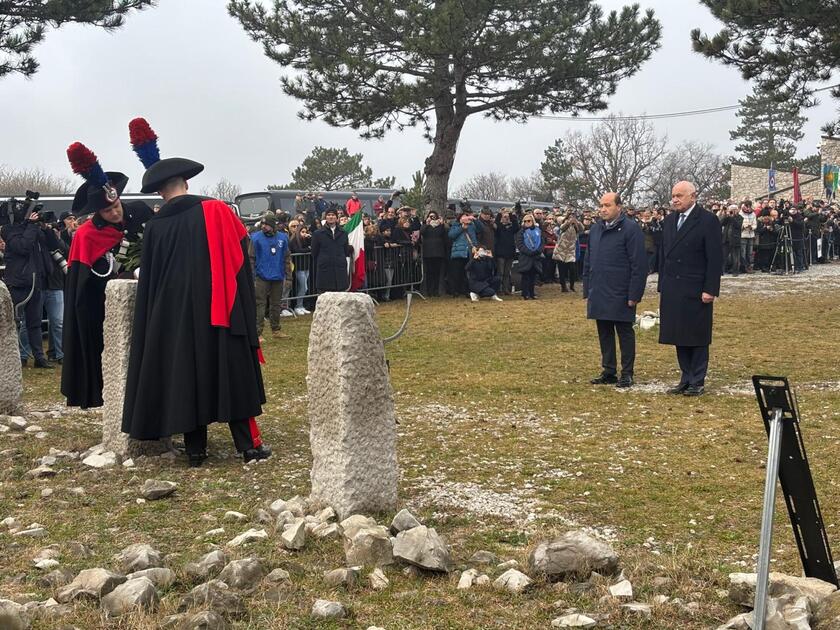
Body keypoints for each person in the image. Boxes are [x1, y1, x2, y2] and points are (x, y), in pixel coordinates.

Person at [121, 117, 271, 466]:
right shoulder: (216, 210)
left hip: (174, 314)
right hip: (219, 307)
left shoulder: (156, 227)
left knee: (187, 372)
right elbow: (239, 257)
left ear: (161, 191)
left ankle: (195, 450)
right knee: (230, 372)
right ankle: (248, 447)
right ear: (186, 182)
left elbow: (153, 280)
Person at [61, 143, 153, 408]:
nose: (116, 213)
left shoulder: (140, 213)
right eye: (108, 211)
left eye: (116, 206)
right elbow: (80, 284)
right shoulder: (87, 235)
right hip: (106, 305)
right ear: (97, 212)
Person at [658, 181, 722, 396]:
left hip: (696, 288)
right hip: (673, 287)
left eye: (680, 195)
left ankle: (697, 379)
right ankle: (685, 377)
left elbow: (714, 258)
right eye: (673, 195)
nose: (675, 199)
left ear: (693, 196)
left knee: (697, 334)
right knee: (678, 334)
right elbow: (663, 256)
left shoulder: (707, 220)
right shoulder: (669, 221)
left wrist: (710, 289)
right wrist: (662, 285)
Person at [582, 193, 647, 388]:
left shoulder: (631, 229)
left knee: (625, 333)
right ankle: (608, 370)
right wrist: (587, 288)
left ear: (619, 206)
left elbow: (639, 264)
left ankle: (627, 373)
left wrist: (635, 294)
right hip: (599, 290)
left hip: (621, 291)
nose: (602, 209)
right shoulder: (595, 229)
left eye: (607, 205)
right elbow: (588, 260)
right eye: (601, 205)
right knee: (604, 332)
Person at [0, 199, 58, 369]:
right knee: (15, 322)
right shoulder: (8, 230)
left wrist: (45, 229)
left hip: (37, 280)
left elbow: (53, 245)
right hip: (19, 282)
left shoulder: (32, 228)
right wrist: (31, 226)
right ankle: (17, 356)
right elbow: (22, 247)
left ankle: (39, 358)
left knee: (35, 322)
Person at [250, 212, 291, 336]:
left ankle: (276, 329)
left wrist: (288, 277)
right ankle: (258, 332)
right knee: (260, 304)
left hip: (278, 276)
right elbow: (251, 258)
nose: (264, 226)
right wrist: (253, 276)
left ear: (273, 225)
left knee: (276, 304)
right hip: (261, 276)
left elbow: (287, 258)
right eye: (262, 223)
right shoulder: (256, 237)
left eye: (266, 224)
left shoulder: (283, 238)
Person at [311, 207, 352, 294]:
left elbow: (345, 250)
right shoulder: (318, 234)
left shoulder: (343, 233)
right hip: (325, 271)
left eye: (333, 215)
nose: (331, 217)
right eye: (328, 215)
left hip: (339, 270)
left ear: (337, 217)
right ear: (325, 217)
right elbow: (314, 252)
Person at [447, 212, 478, 297]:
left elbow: (478, 232)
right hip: (458, 252)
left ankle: (466, 290)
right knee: (456, 272)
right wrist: (461, 228)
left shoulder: (472, 226)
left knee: (467, 273)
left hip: (469, 252)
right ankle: (455, 291)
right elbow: (451, 235)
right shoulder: (456, 225)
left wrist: (475, 220)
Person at [553, 209, 582, 292]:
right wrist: (568, 222)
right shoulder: (564, 223)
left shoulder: (576, 225)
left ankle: (572, 285)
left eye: (573, 216)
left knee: (572, 269)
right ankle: (563, 286)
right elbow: (562, 228)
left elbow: (581, 229)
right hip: (561, 249)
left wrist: (576, 222)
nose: (572, 218)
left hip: (570, 250)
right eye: (570, 216)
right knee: (562, 270)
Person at [514, 213, 542, 299]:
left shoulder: (538, 231)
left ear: (532, 221)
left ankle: (532, 293)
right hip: (525, 257)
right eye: (525, 221)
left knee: (533, 277)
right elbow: (520, 244)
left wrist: (538, 251)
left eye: (529, 221)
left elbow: (542, 242)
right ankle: (525, 294)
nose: (527, 222)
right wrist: (529, 252)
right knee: (525, 277)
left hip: (535, 257)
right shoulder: (521, 232)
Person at [420, 210, 447, 297]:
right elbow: (422, 232)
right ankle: (428, 290)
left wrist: (442, 224)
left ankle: (436, 290)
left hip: (438, 252)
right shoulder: (426, 226)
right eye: (431, 216)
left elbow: (443, 234)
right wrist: (427, 223)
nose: (432, 218)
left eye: (434, 216)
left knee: (437, 272)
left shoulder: (440, 226)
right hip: (428, 252)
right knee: (429, 272)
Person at [494, 209, 519, 295]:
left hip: (510, 253)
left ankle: (505, 289)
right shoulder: (499, 227)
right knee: (500, 273)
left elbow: (517, 226)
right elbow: (496, 223)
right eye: (505, 217)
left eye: (507, 217)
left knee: (507, 273)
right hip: (500, 253)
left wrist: (511, 215)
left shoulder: (511, 228)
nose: (506, 218)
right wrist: (500, 214)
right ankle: (499, 289)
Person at [289, 222, 312, 315]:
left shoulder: (305, 240)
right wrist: (308, 249)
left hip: (306, 266)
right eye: (302, 232)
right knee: (303, 287)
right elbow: (297, 250)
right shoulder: (294, 240)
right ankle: (298, 305)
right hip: (299, 267)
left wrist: (309, 239)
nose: (304, 234)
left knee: (304, 287)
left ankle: (301, 305)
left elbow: (311, 247)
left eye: (305, 232)